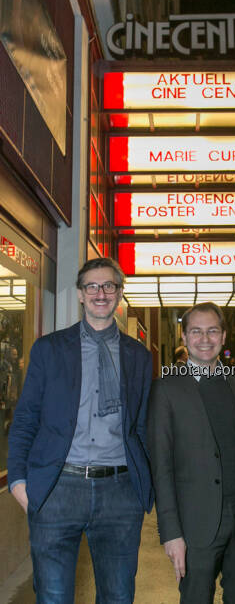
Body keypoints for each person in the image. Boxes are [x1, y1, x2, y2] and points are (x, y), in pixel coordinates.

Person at [8, 257, 154, 603]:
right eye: (92, 286)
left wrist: (145, 488)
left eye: (109, 286)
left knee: (118, 596)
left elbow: (144, 424)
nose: (100, 293)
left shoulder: (139, 356)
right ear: (80, 293)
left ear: (119, 293)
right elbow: (26, 417)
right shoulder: (49, 349)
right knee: (54, 595)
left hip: (120, 491)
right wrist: (18, 481)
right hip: (58, 486)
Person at [147, 302, 235, 604]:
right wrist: (171, 533)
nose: (205, 338)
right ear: (185, 338)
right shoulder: (165, 389)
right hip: (195, 525)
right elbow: (160, 468)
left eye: (212, 331)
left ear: (223, 336)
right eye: (196, 331)